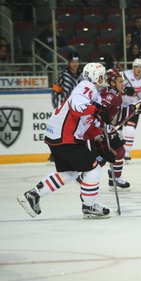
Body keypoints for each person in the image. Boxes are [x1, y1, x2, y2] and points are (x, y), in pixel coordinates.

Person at [17, 62, 113, 219]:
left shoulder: (91, 92)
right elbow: (76, 106)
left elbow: (86, 125)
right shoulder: (86, 86)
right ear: (95, 76)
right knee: (93, 169)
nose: (104, 78)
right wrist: (99, 111)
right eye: (102, 75)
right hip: (66, 137)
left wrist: (101, 143)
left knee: (69, 173)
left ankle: (33, 195)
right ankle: (89, 206)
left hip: (58, 136)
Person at [94, 68, 141, 190]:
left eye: (123, 81)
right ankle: (86, 175)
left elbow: (116, 115)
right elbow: (100, 114)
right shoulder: (111, 96)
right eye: (120, 81)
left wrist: (137, 107)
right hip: (99, 130)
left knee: (119, 151)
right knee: (105, 156)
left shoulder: (112, 93)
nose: (123, 84)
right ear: (112, 83)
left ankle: (115, 179)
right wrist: (135, 108)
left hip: (104, 128)